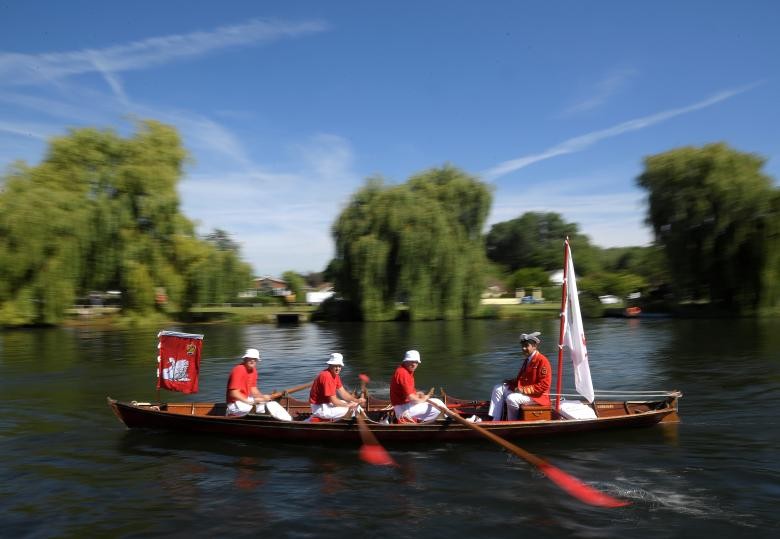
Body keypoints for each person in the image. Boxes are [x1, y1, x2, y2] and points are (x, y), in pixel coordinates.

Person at [488, 332, 552, 421]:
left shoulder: (542, 361)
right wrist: (511, 382)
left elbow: (544, 385)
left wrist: (522, 390)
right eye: (522, 346)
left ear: (534, 346)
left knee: (511, 399)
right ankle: (496, 419)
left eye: (526, 346)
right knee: (498, 388)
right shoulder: (528, 360)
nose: (523, 348)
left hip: (537, 397)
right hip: (525, 392)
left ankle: (512, 422)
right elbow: (522, 379)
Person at [225, 348, 292, 421]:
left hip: (245, 401)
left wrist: (263, 397)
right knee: (270, 406)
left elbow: (253, 389)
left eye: (255, 359)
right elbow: (233, 393)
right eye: (250, 358)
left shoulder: (253, 371)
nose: (252, 360)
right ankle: (289, 424)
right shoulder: (239, 370)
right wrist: (250, 402)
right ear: (245, 359)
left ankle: (289, 421)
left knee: (272, 404)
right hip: (235, 405)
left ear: (257, 360)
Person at [389, 350, 445, 423]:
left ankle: (441, 420)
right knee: (438, 409)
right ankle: (447, 422)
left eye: (416, 362)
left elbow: (407, 393)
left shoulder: (404, 370)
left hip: (404, 406)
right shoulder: (403, 374)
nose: (414, 364)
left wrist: (417, 394)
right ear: (405, 361)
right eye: (411, 361)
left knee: (438, 402)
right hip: (403, 410)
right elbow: (413, 399)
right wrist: (426, 398)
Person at [308, 353, 366, 420]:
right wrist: (348, 405)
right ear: (330, 365)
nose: (338, 369)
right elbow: (334, 401)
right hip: (319, 408)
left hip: (326, 404)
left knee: (353, 405)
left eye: (339, 366)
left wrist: (356, 400)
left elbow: (343, 393)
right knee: (350, 409)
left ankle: (365, 419)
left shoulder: (336, 376)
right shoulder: (326, 377)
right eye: (335, 366)